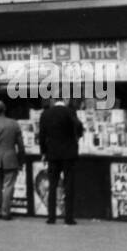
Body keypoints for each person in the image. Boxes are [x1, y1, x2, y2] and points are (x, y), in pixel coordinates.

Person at [38, 96, 84, 225]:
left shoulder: (46, 114)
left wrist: (43, 152)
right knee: (68, 185)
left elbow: (41, 135)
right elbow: (79, 127)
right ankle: (68, 218)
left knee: (52, 185)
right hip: (69, 153)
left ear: (53, 101)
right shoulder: (70, 112)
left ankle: (51, 217)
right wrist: (77, 137)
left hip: (52, 154)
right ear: (65, 100)